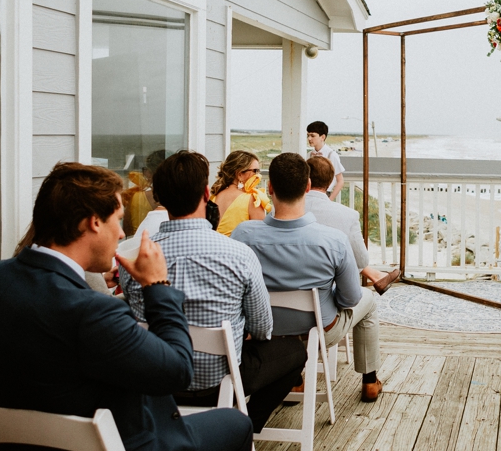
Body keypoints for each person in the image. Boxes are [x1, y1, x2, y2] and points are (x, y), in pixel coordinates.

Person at [0, 162, 284, 451]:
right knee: (234, 425)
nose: (123, 232)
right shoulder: (91, 311)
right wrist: (158, 287)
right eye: (118, 219)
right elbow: (177, 369)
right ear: (91, 223)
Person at [120, 151, 305, 430]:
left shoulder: (136, 257)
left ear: (160, 198)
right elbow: (263, 328)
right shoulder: (239, 255)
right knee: (294, 351)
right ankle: (244, 425)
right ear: (207, 194)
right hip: (221, 381)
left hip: (157, 380)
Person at [233, 154, 384, 402]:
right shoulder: (332, 241)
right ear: (307, 187)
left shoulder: (243, 235)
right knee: (367, 301)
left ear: (269, 188)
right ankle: (369, 380)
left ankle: (294, 378)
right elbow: (349, 300)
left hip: (264, 332)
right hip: (319, 330)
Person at [305, 156, 400, 295]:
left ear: (304, 179)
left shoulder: (282, 212)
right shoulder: (347, 215)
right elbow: (362, 259)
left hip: (280, 303)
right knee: (369, 302)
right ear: (330, 181)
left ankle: (377, 276)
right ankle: (377, 276)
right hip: (323, 299)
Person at [211, 150, 270, 237]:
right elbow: (261, 235)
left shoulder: (215, 196)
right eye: (255, 171)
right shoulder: (252, 199)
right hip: (238, 249)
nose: (258, 175)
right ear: (240, 174)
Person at [306, 121, 345, 201]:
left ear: (322, 137)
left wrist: (330, 199)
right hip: (309, 193)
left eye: (312, 136)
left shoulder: (332, 155)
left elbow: (340, 180)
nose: (309, 138)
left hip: (325, 194)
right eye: (308, 135)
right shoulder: (309, 155)